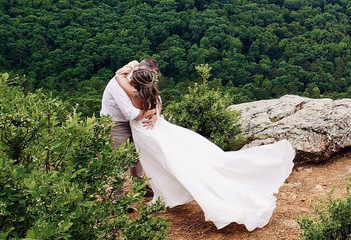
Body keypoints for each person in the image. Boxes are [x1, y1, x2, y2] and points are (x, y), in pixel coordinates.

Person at [113, 65, 295, 231]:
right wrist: (154, 111)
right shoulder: (152, 91)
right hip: (158, 128)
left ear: (136, 82)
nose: (129, 79)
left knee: (166, 165)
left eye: (133, 78)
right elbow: (157, 103)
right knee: (167, 163)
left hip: (146, 134)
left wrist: (128, 71)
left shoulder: (134, 94)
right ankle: (163, 195)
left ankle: (169, 196)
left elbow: (118, 76)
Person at [100, 58, 160, 196]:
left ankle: (140, 187)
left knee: (136, 155)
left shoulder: (143, 77)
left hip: (133, 122)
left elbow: (157, 99)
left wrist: (156, 112)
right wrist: (152, 111)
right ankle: (118, 196)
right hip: (116, 122)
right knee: (119, 159)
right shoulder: (118, 84)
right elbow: (131, 114)